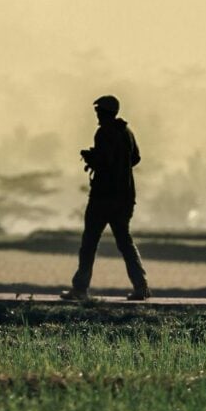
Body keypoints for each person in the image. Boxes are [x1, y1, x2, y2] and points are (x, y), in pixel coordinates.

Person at [61, 95, 150, 301]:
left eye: (99, 112)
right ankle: (141, 286)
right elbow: (135, 158)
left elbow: (105, 163)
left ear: (105, 113)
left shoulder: (103, 133)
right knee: (125, 242)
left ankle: (80, 289)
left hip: (103, 197)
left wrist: (91, 158)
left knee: (89, 243)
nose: (97, 116)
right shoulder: (127, 132)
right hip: (125, 197)